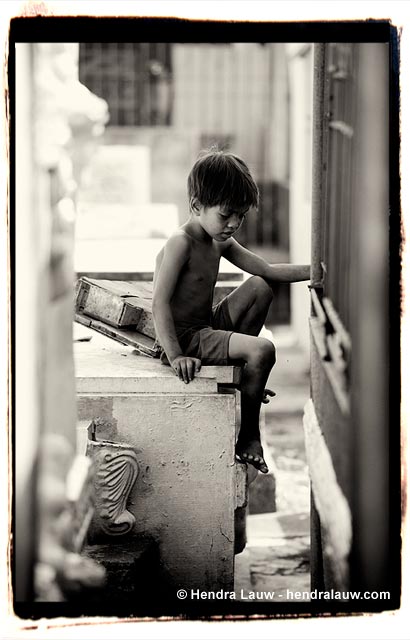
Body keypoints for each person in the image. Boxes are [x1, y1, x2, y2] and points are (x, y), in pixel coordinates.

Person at [152, 149, 310, 474]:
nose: (234, 224)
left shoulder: (219, 242)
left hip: (207, 326)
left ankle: (245, 373)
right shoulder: (180, 243)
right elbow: (159, 303)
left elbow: (267, 270)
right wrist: (175, 355)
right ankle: (249, 435)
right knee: (263, 349)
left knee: (259, 287)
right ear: (196, 206)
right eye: (226, 215)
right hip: (186, 339)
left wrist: (319, 271)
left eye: (240, 216)